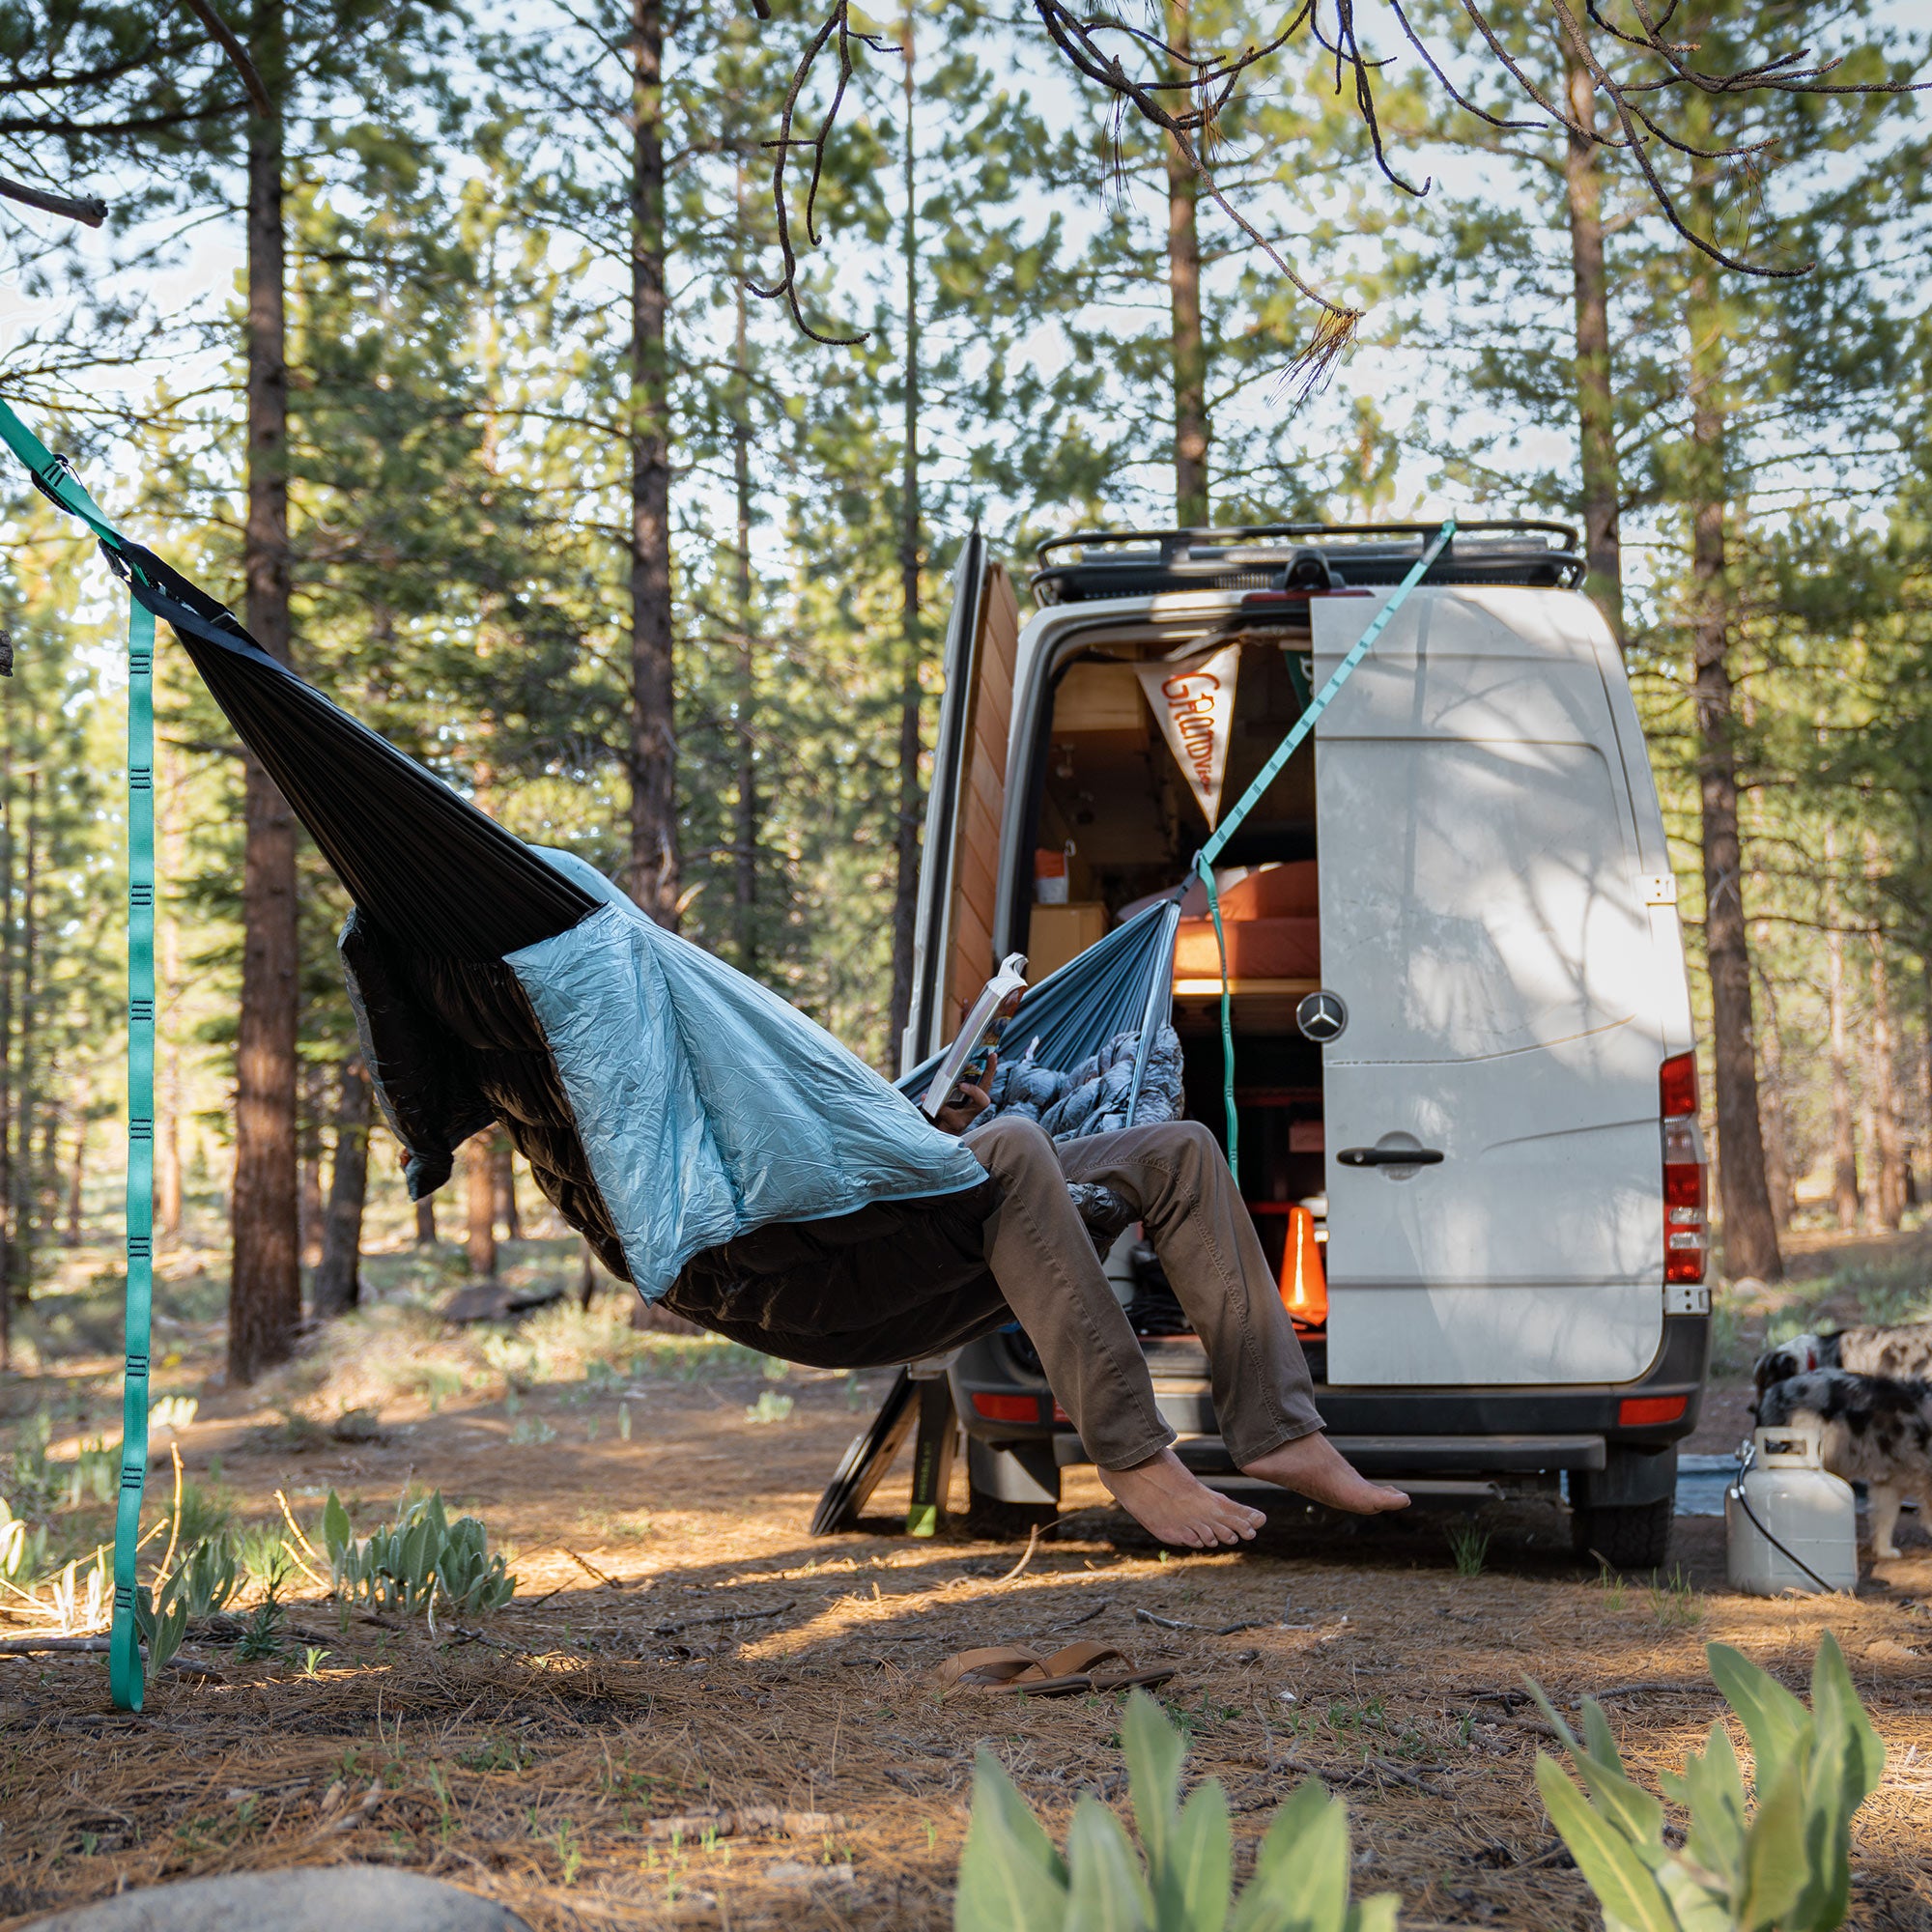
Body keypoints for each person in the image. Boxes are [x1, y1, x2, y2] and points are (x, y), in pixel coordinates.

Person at [667, 1049, 1408, 1548]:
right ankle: (1131, 1453)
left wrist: (929, 1123)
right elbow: (779, 1193)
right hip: (812, 1277)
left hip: (892, 1205)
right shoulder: (653, 1107)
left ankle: (1278, 1429)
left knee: (1180, 1150)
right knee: (1014, 1144)